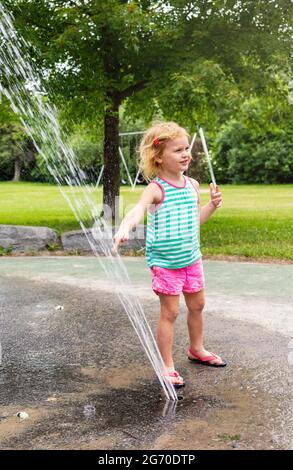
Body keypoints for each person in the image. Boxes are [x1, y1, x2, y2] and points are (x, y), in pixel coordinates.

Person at [113, 121, 226, 388]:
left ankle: (196, 349)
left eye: (187, 148)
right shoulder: (157, 188)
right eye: (178, 150)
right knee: (171, 312)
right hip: (165, 263)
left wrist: (211, 206)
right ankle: (166, 365)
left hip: (191, 258)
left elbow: (193, 220)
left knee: (197, 305)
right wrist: (124, 227)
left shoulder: (193, 185)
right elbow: (137, 210)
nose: (186, 154)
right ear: (159, 156)